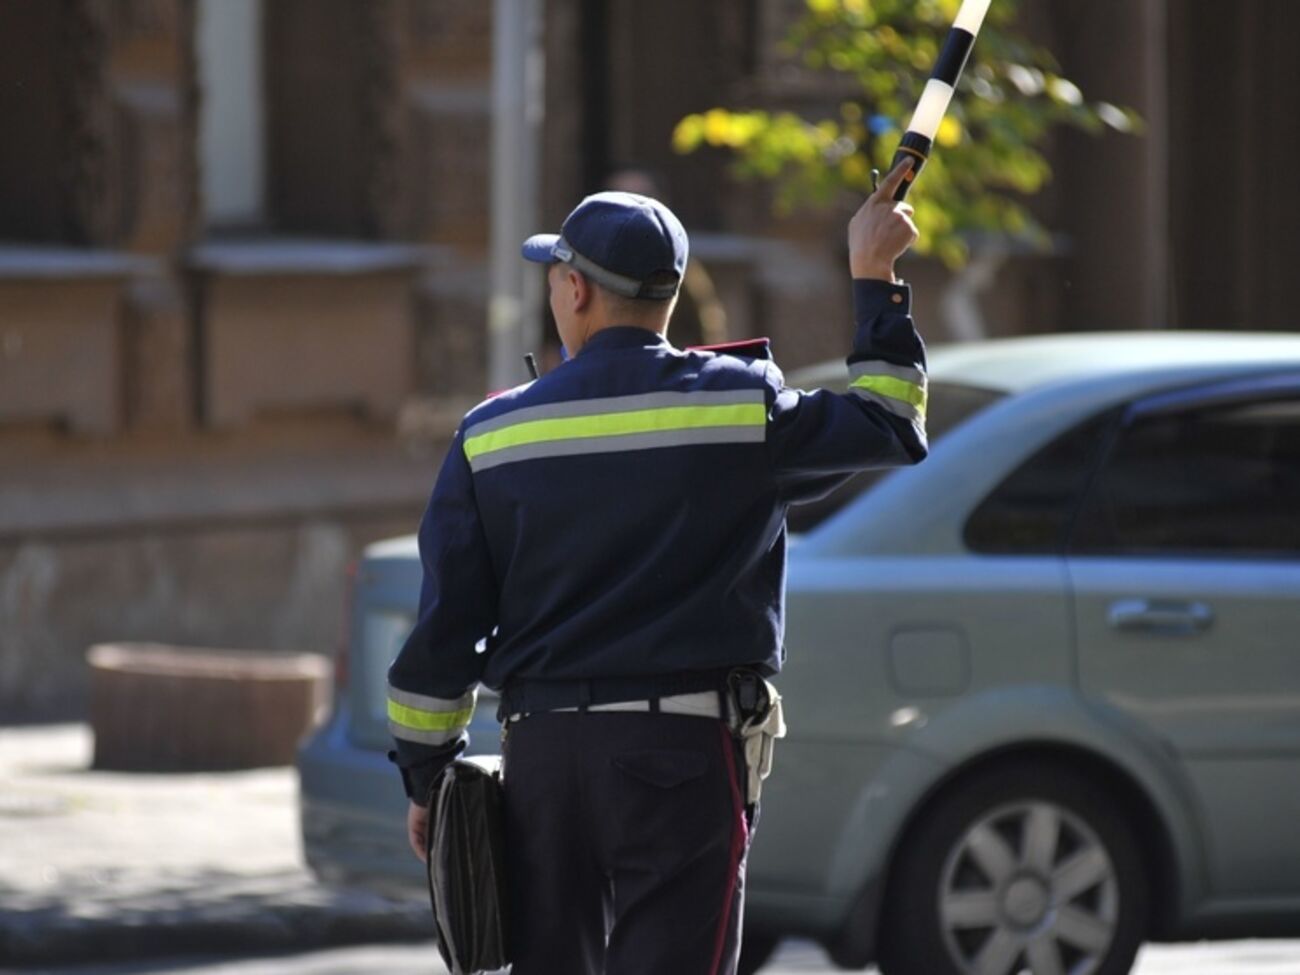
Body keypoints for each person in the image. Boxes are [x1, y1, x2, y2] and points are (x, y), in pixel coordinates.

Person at [387, 160, 927, 975]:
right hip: (682, 756)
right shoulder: (741, 407)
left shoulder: (492, 436)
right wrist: (873, 273)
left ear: (573, 290)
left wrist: (429, 779)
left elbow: (443, 632)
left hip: (542, 767)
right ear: (669, 297)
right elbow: (890, 418)